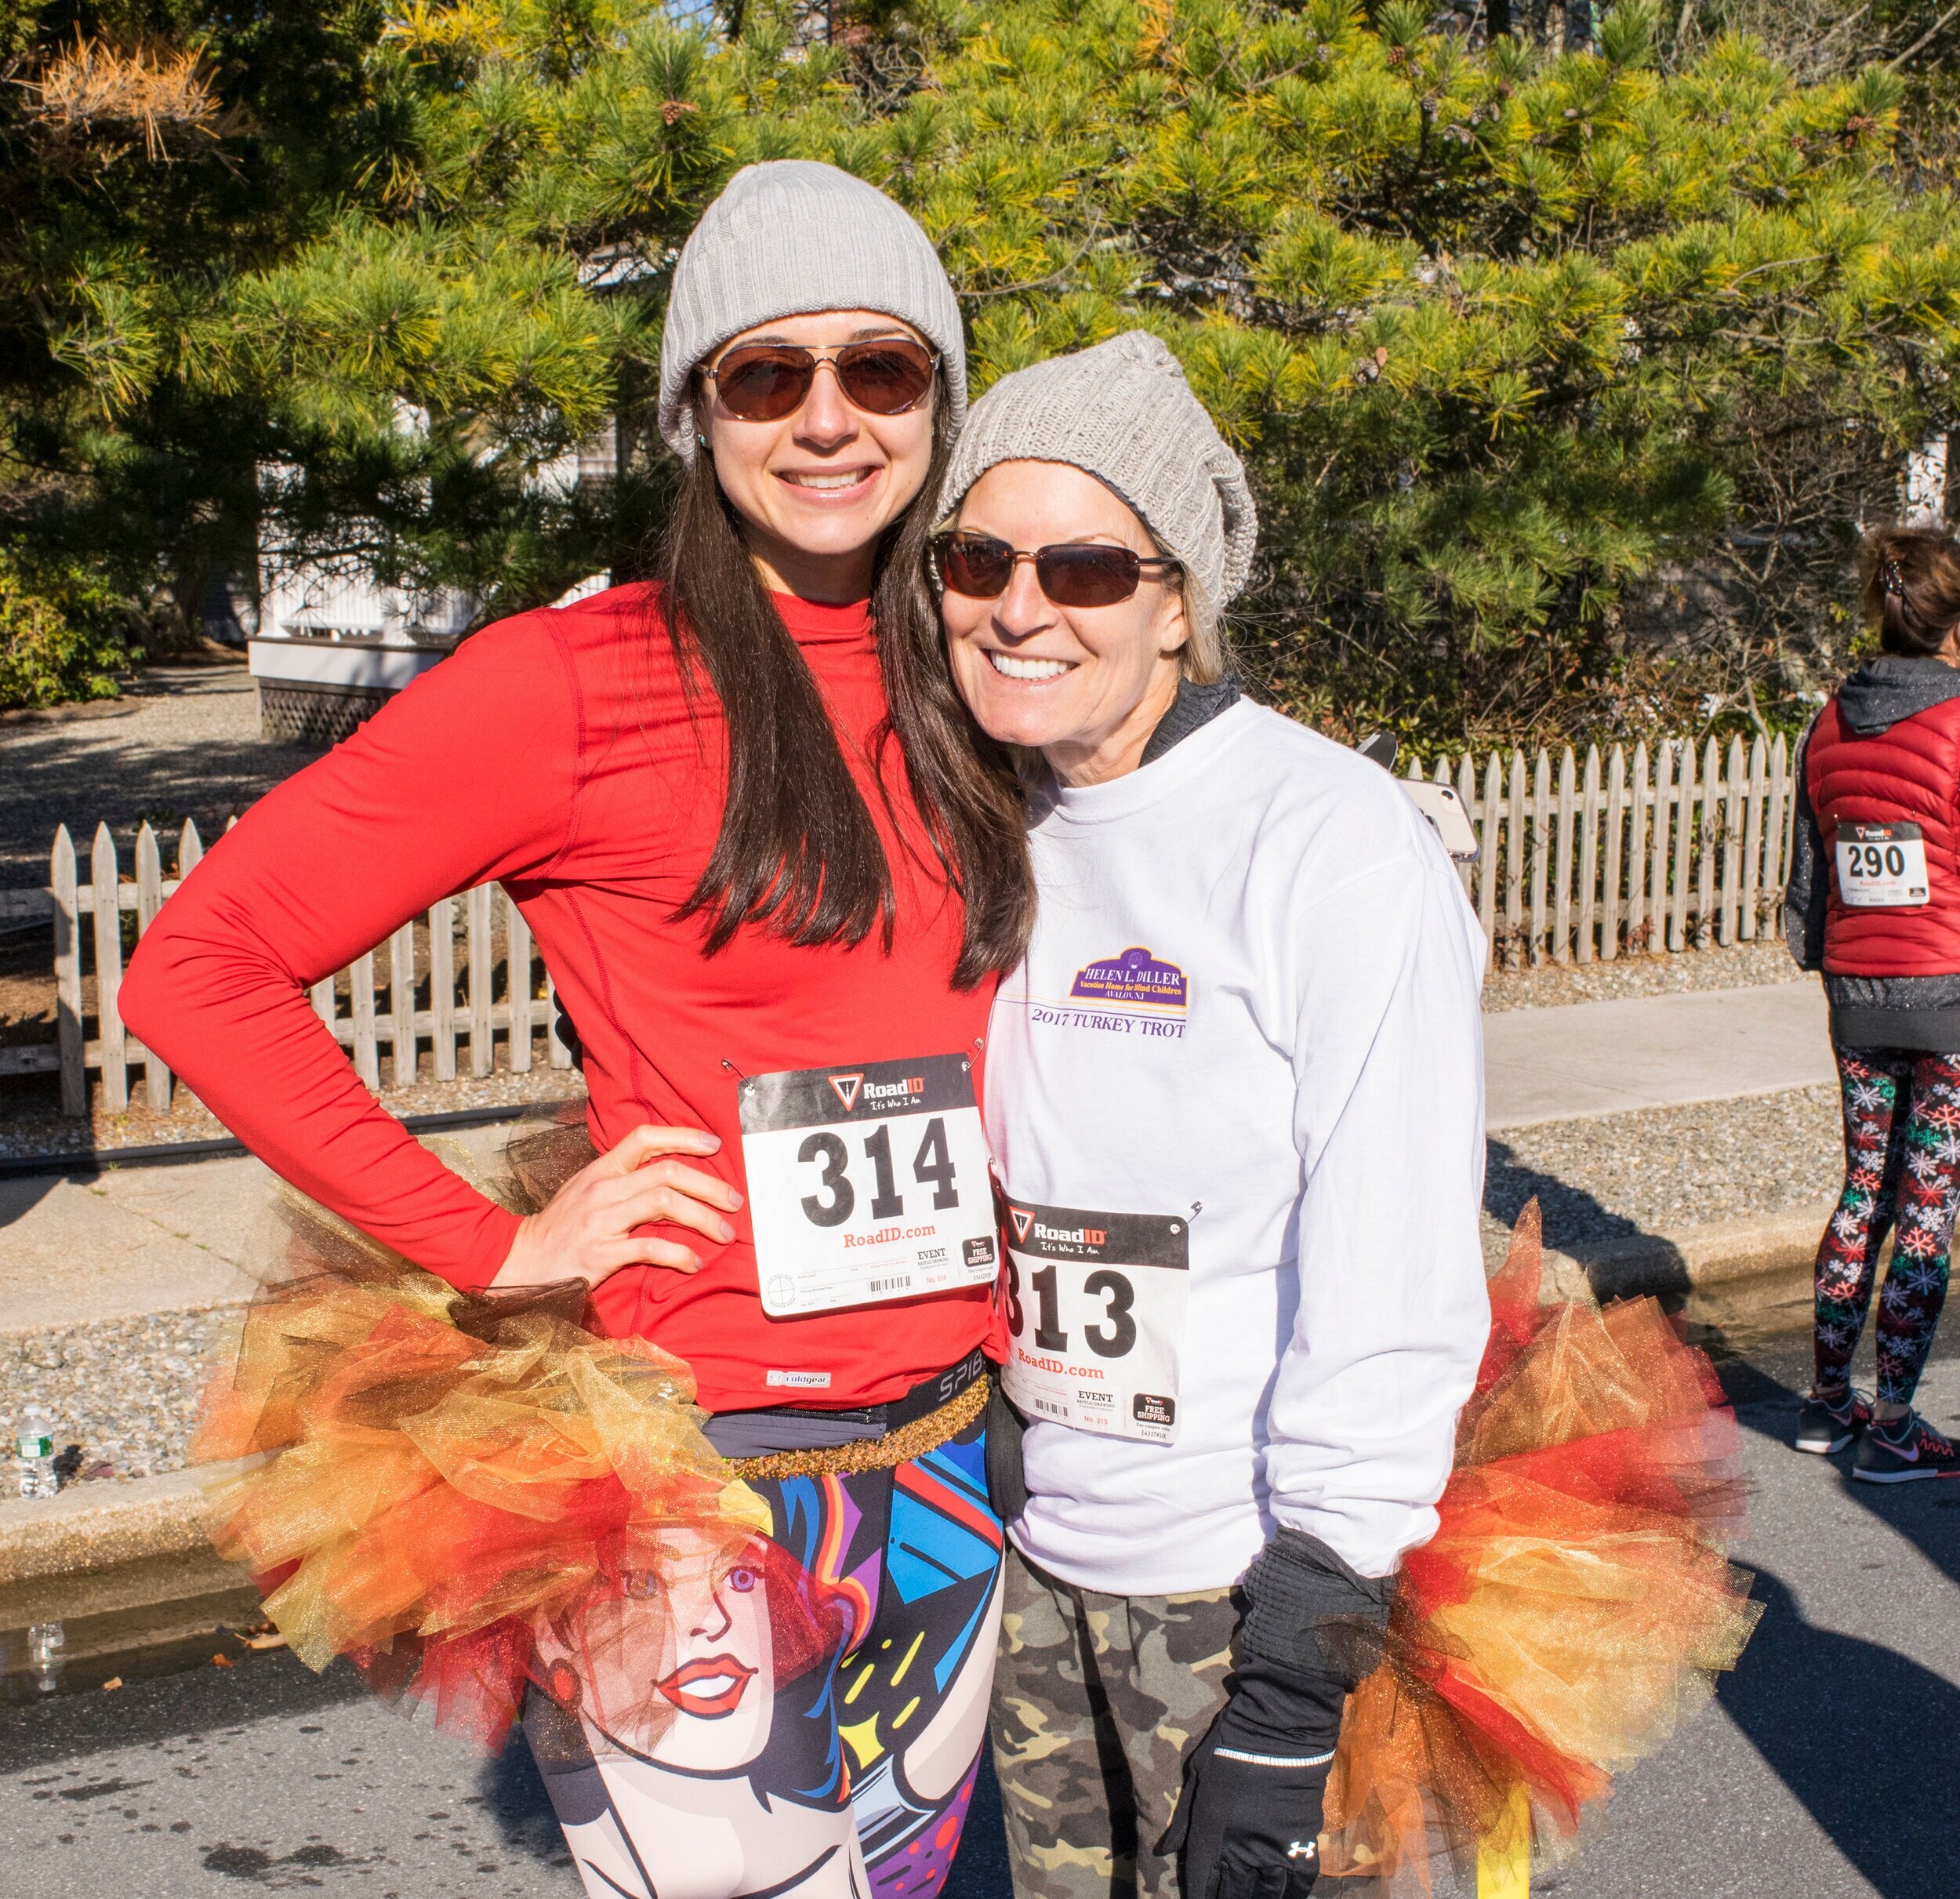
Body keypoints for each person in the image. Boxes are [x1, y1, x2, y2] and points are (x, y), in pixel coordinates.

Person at [122, 158, 1033, 1897]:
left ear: (939, 399)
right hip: (690, 1474)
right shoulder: (571, 682)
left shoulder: (982, 665)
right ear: (698, 413)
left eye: (881, 369)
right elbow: (200, 963)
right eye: (769, 375)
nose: (827, 418)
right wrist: (494, 1243)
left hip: (954, 1443)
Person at [931, 330, 1494, 1899]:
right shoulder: (982, 812)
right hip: (1035, 1566)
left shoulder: (1327, 839)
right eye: (977, 554)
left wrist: (1302, 1659)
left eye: (1086, 564)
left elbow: (1392, 1264)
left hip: (1238, 1588)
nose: (1021, 604)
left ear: (1177, 598)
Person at [1785, 523, 1960, 1482]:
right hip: (1948, 999)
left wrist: (1828, 964)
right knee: (1927, 1203)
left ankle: (1823, 1405)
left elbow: (1810, 866)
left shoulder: (1828, 718)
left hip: (1857, 993)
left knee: (1863, 1192)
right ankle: (1895, 1422)